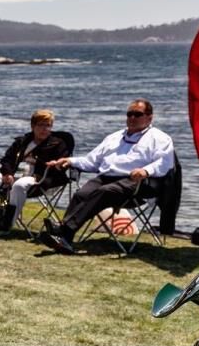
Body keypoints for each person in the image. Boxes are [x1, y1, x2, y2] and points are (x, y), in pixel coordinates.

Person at [39, 99, 175, 254]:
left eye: (137, 114)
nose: (132, 118)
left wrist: (146, 171)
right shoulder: (114, 137)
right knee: (81, 194)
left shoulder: (160, 138)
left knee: (104, 191)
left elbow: (165, 163)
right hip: (106, 178)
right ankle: (65, 240)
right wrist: (69, 161)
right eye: (129, 114)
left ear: (149, 117)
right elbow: (92, 161)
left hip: (137, 182)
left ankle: (63, 229)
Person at [0, 109, 68, 237]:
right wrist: (7, 174)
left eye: (48, 125)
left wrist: (48, 163)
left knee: (19, 185)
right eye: (40, 125)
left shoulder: (58, 144)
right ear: (33, 126)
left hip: (39, 179)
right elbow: (7, 159)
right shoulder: (22, 141)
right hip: (14, 174)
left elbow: (61, 166)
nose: (44, 129)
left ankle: (4, 227)